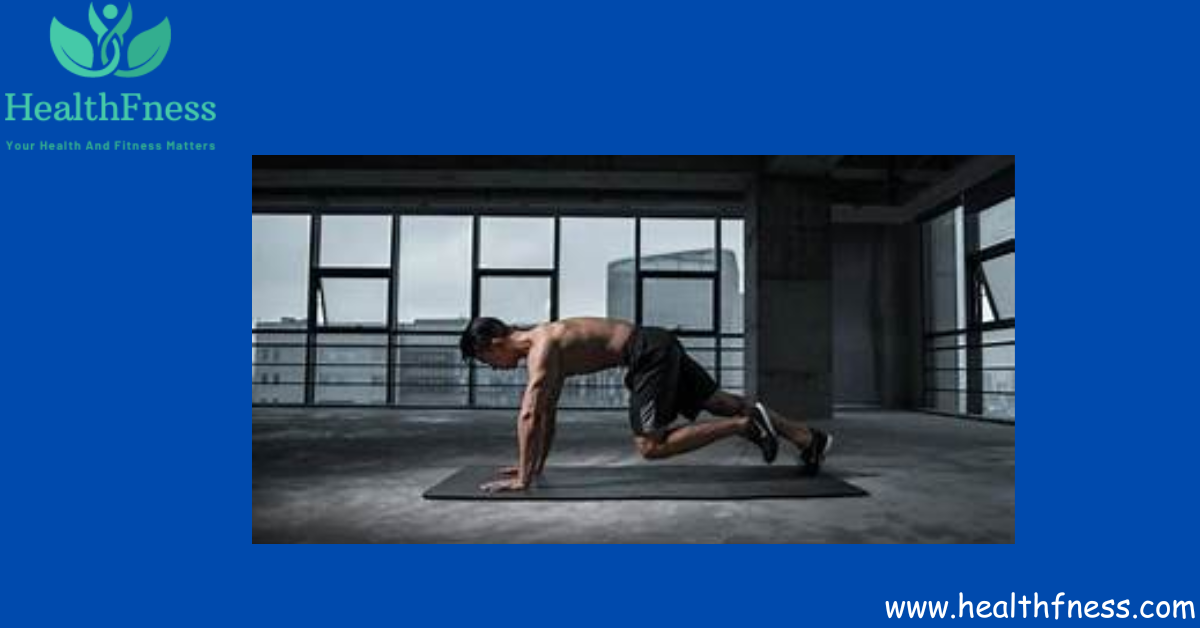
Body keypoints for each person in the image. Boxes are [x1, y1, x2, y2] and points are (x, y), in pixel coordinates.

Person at [459, 317, 834, 493]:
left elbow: (528, 414)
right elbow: (546, 414)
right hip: (656, 343)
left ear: (492, 344)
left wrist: (523, 480)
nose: (493, 368)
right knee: (722, 402)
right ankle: (808, 439)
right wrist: (534, 467)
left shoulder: (541, 349)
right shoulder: (546, 342)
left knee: (650, 445)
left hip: (647, 354)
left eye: (485, 361)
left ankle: (745, 426)